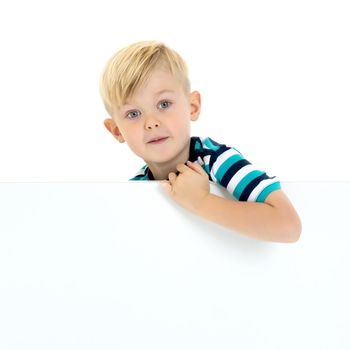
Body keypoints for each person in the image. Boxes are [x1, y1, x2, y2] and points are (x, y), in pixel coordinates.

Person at [100, 40, 302, 243]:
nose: (151, 123)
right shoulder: (135, 189)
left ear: (193, 107)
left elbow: (289, 226)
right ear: (117, 131)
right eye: (133, 113)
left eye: (164, 104)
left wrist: (202, 202)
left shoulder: (216, 159)